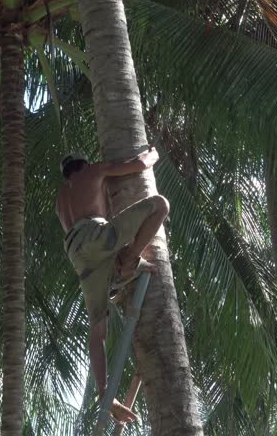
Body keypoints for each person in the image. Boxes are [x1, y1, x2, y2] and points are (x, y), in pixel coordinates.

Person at [55, 148, 170, 424]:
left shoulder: (60, 200)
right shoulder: (94, 171)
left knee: (98, 328)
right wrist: (155, 151)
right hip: (95, 235)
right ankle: (130, 258)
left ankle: (106, 393)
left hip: (76, 251)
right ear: (84, 164)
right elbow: (140, 163)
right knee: (160, 205)